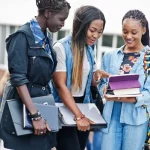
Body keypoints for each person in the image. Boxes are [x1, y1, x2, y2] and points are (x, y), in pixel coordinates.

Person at [0, 0, 70, 150]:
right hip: (25, 111)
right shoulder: (21, 37)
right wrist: (35, 115)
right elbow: (18, 79)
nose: (63, 24)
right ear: (48, 13)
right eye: (61, 19)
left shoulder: (46, 38)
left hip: (43, 105)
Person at [52, 5, 109, 150]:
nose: (95, 36)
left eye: (100, 32)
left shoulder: (90, 48)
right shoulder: (61, 47)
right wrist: (79, 116)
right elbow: (60, 86)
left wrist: (97, 77)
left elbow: (88, 82)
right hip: (65, 107)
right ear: (80, 26)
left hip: (84, 105)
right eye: (92, 30)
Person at [99, 9, 150, 150]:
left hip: (136, 118)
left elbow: (149, 93)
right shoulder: (109, 56)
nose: (128, 36)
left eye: (134, 32)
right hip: (111, 116)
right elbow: (102, 83)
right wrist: (103, 88)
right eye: (125, 31)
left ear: (143, 30)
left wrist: (133, 97)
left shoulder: (148, 58)